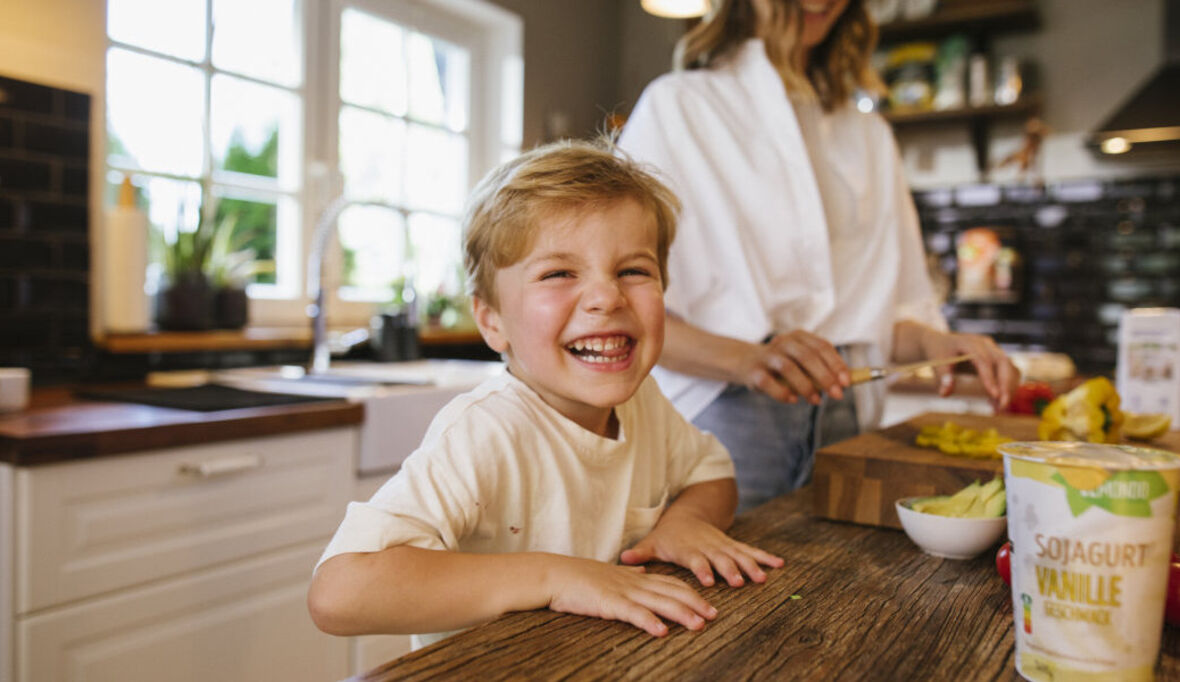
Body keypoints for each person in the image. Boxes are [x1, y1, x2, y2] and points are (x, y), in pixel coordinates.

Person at [307, 139, 784, 650]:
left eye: (634, 271)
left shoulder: (642, 403)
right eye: (559, 273)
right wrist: (556, 577)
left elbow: (712, 473)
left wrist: (686, 522)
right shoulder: (486, 431)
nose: (607, 296)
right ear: (491, 321)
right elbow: (340, 592)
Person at [618, 0, 1019, 511]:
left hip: (846, 412)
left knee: (840, 583)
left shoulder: (869, 134)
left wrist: (937, 342)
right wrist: (749, 360)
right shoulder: (678, 108)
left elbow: (877, 319)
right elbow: (628, 307)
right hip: (723, 414)